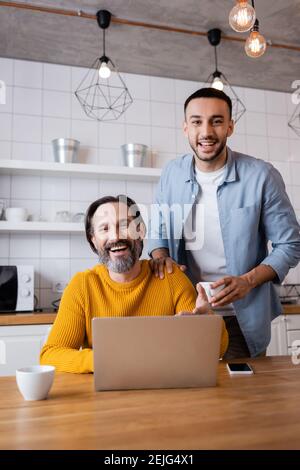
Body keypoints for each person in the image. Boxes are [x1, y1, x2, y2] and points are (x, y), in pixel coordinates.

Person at [148, 87, 300, 359]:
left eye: (216, 121)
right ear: (185, 128)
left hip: (241, 320)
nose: (206, 131)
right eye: (197, 122)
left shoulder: (261, 176)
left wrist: (248, 281)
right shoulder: (171, 173)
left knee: (243, 399)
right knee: (184, 397)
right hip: (184, 313)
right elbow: (158, 227)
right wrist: (160, 254)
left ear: (230, 127)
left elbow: (290, 244)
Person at [40, 194, 228, 373]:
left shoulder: (172, 278)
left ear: (140, 232)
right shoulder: (82, 286)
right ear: (93, 240)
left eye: (124, 226)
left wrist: (209, 325)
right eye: (104, 229)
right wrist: (104, 360)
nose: (115, 237)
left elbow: (215, 351)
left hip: (166, 391)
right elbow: (51, 354)